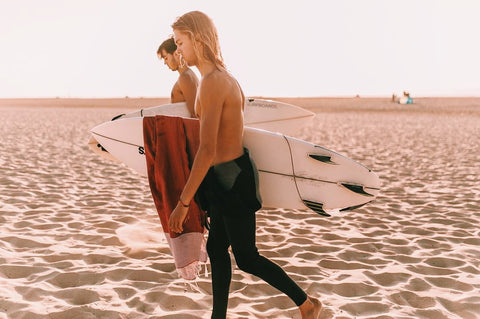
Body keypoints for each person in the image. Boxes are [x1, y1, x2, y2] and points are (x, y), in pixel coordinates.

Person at [167, 11, 323, 319]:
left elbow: (208, 149)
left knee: (247, 257)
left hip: (233, 179)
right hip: (225, 177)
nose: (179, 50)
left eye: (180, 42)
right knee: (216, 250)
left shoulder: (213, 83)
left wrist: (183, 203)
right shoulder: (221, 79)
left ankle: (307, 304)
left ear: (198, 40)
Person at [157, 36, 199, 117]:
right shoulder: (187, 75)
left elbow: (195, 114)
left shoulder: (185, 77)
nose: (165, 63)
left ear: (176, 53)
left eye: (166, 58)